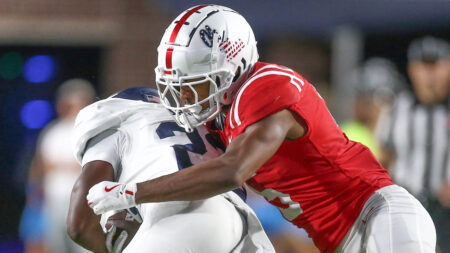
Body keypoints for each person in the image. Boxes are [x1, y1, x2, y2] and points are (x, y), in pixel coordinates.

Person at [86, 5, 437, 253]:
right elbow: (187, 168)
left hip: (376, 212)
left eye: (197, 84)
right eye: (177, 86)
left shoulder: (268, 88)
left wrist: (132, 192)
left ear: (233, 67)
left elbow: (231, 171)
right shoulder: (219, 115)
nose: (184, 98)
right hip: (339, 239)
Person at [67, 87, 275, 252]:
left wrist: (115, 245)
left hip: (182, 217)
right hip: (240, 225)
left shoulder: (117, 120)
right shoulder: (196, 122)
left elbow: (80, 227)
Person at [377, 36, 450, 252]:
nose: (430, 74)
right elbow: (386, 156)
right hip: (407, 203)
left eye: (436, 66)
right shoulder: (398, 107)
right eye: (424, 66)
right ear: (412, 69)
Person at [20, 79, 95, 253]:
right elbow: (41, 165)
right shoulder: (53, 131)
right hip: (55, 199)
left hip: (86, 201)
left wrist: (62, 166)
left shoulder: (92, 131)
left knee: (85, 246)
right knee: (56, 246)